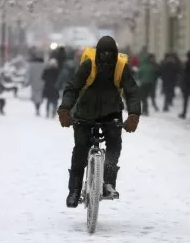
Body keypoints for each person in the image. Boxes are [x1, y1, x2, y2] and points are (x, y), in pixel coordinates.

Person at [57, 36, 141, 208]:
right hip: (85, 114)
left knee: (114, 144)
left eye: (110, 53)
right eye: (103, 53)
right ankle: (74, 189)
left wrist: (134, 115)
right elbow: (72, 88)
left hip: (111, 114)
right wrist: (65, 109)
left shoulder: (121, 67)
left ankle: (108, 182)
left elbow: (132, 92)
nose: (106, 57)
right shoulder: (88, 65)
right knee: (80, 148)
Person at [26, 50, 44, 116]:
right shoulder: (43, 65)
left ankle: (36, 108)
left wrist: (28, 82)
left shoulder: (31, 66)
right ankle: (38, 107)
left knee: (35, 96)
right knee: (40, 96)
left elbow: (29, 74)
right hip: (42, 83)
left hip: (34, 83)